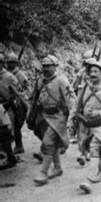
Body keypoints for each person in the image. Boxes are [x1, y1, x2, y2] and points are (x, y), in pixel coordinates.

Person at [68, 59, 101, 194]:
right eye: (91, 71)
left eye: (96, 71)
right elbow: (77, 105)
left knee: (94, 148)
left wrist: (100, 113)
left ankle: (88, 179)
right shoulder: (85, 87)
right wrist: (71, 120)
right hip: (86, 125)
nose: (92, 74)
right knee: (86, 147)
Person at [30, 55, 76, 186]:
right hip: (44, 116)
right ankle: (57, 168)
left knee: (47, 143)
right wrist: (31, 112)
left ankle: (43, 173)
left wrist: (73, 118)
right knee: (53, 144)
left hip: (58, 116)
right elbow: (33, 98)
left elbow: (71, 99)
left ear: (55, 66)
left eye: (49, 66)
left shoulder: (61, 81)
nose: (46, 68)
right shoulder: (39, 81)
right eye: (44, 66)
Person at [5, 52, 30, 154]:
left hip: (19, 103)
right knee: (11, 125)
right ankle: (17, 146)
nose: (9, 64)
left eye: (12, 62)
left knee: (17, 125)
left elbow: (26, 89)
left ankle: (18, 146)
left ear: (16, 63)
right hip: (9, 103)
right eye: (8, 62)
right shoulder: (6, 74)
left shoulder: (20, 75)